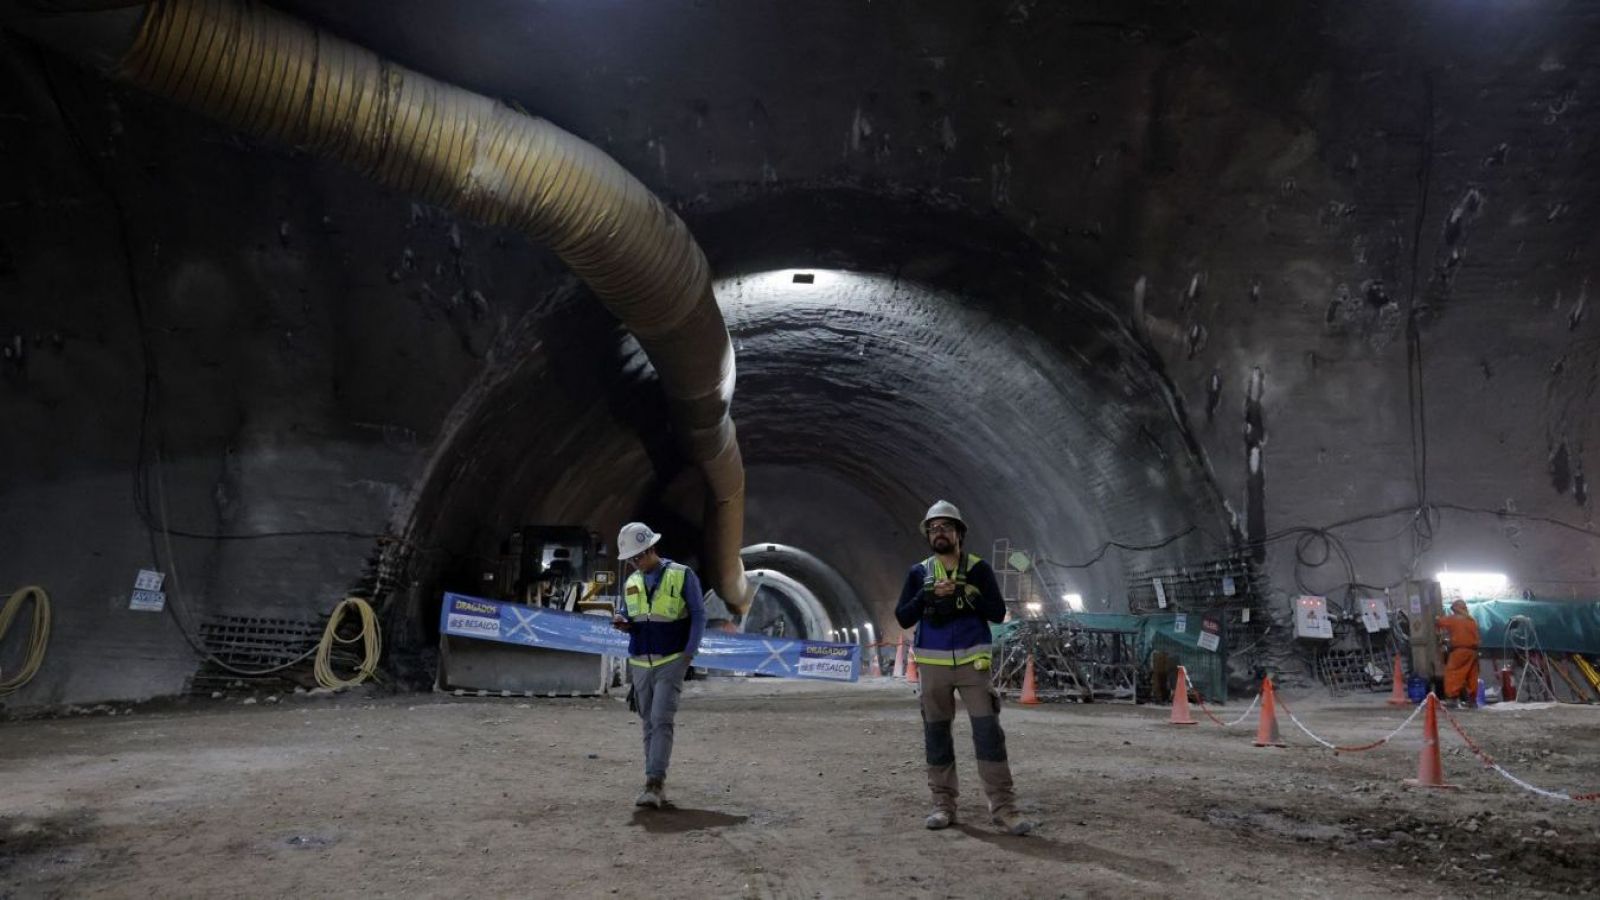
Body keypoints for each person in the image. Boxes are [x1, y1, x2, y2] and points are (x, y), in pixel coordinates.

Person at [894, 500, 1033, 835]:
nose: (939, 533)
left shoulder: (978, 569)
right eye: (933, 528)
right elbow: (903, 616)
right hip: (932, 666)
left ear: (959, 533)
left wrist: (968, 592)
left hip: (973, 664)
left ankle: (1004, 808)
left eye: (946, 527)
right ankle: (943, 805)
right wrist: (927, 595)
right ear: (928, 534)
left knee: (988, 735)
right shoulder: (919, 573)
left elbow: (997, 613)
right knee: (937, 735)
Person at [610, 521, 706, 808]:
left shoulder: (682, 576)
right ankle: (652, 779)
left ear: (652, 548)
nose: (635, 564)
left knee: (662, 719)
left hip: (671, 661)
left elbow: (699, 615)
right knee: (648, 723)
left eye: (638, 557)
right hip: (640, 661)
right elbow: (632, 617)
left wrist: (688, 655)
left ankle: (654, 782)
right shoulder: (632, 583)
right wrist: (623, 624)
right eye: (631, 560)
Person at [1435, 598, 1481, 709]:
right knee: (1471, 675)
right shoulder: (1472, 620)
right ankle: (1472, 700)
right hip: (1473, 652)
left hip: (1460, 651)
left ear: (1456, 609)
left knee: (1452, 673)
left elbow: (1439, 622)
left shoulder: (1454, 619)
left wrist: (1436, 618)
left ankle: (1451, 698)